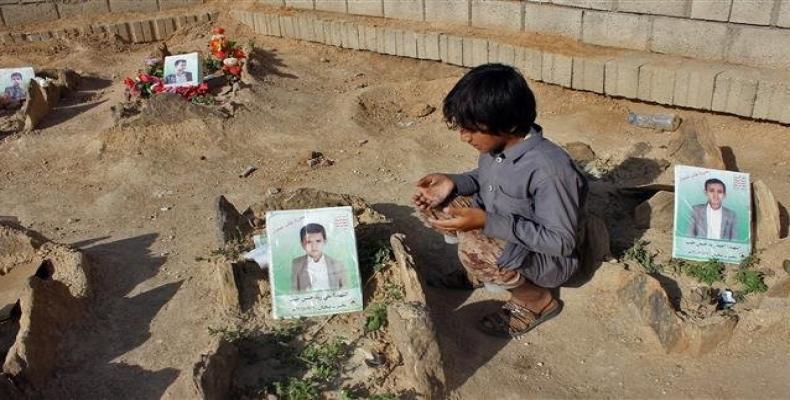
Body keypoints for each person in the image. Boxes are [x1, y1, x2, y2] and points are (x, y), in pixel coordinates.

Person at [413, 63, 588, 338]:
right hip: (506, 228)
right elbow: (487, 177)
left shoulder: (550, 171)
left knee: (476, 247)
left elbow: (561, 242)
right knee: (438, 204)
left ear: (507, 124)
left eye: (472, 128)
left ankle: (536, 301)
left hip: (547, 258)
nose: (464, 136)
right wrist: (452, 182)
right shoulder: (500, 145)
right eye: (462, 127)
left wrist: (486, 221)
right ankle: (481, 272)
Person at [291, 223, 348, 292]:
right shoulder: (297, 264)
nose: (314, 246)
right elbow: (294, 291)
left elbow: (345, 289)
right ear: (302, 244)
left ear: (325, 241)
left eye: (318, 241)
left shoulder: (337, 264)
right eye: (309, 242)